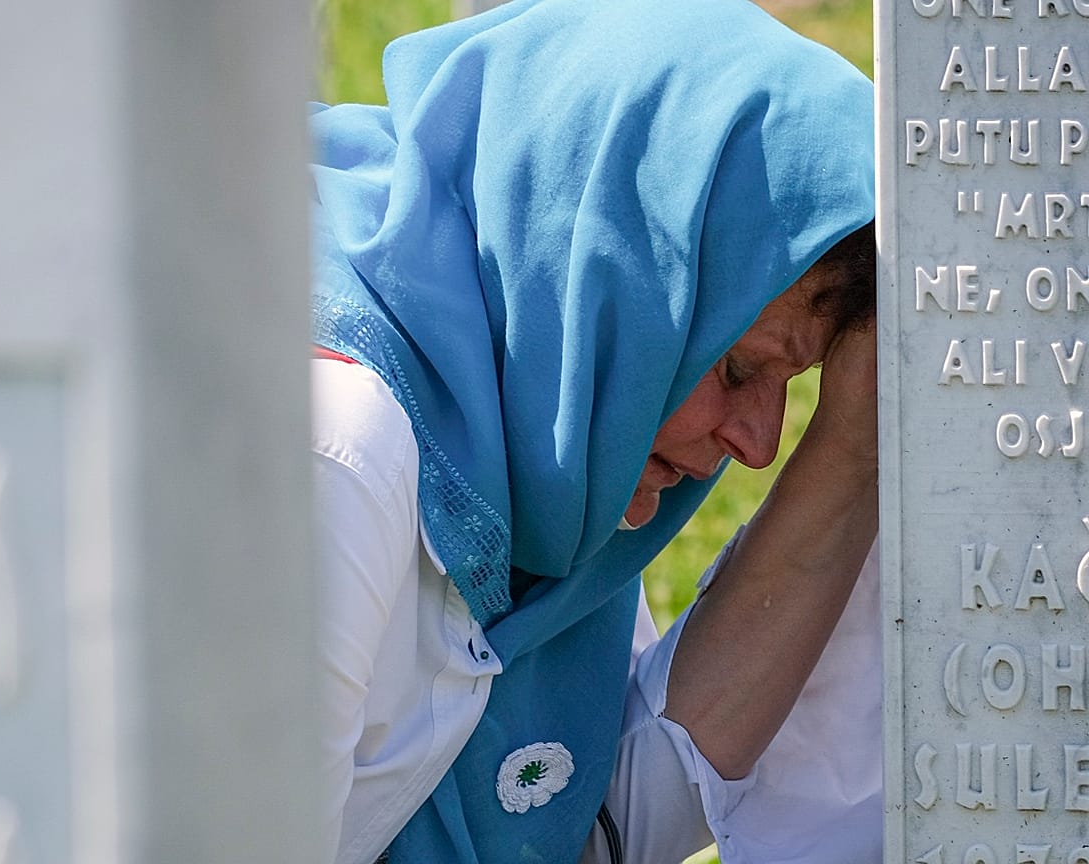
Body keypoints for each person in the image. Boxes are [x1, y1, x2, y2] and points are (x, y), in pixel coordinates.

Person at [308, 0, 879, 862]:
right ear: (616, 287)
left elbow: (594, 818)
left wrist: (852, 453)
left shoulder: (548, 429)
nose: (759, 445)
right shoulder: (337, 452)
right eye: (735, 369)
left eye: (788, 387)